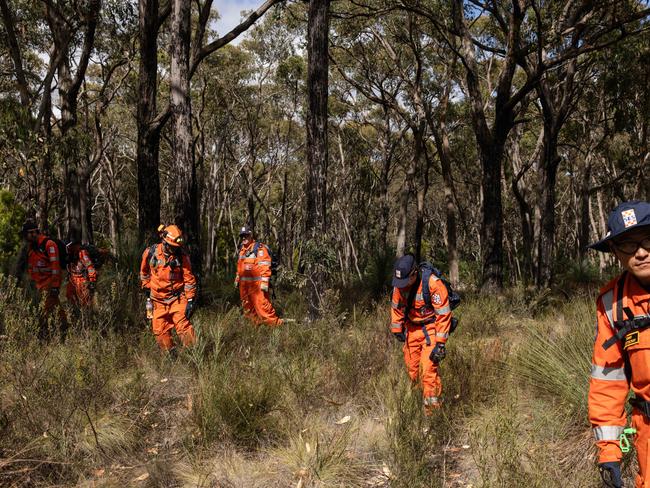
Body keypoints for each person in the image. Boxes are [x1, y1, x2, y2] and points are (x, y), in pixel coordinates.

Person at [588, 201, 650, 488]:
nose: (640, 252)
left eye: (648, 240)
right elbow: (607, 382)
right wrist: (609, 453)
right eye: (627, 245)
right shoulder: (612, 304)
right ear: (615, 253)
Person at [390, 254, 453, 414]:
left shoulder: (433, 284)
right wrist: (397, 329)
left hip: (430, 329)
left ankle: (432, 414)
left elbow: (443, 314)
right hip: (411, 330)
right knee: (413, 372)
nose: (402, 286)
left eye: (405, 281)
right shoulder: (400, 285)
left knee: (428, 372)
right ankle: (419, 408)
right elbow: (396, 306)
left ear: (414, 273)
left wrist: (440, 343)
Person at [139, 224, 197, 353]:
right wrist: (147, 287)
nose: (174, 249)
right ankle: (171, 358)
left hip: (176, 299)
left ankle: (194, 356)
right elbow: (143, 273)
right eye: (172, 247)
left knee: (184, 327)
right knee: (160, 331)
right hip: (157, 302)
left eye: (176, 247)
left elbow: (189, 279)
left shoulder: (182, 257)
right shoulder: (150, 253)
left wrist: (190, 300)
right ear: (164, 242)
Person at [20, 220, 67, 340]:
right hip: (37, 287)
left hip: (49, 285)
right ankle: (64, 331)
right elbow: (31, 268)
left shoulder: (49, 244)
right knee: (56, 310)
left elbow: (56, 267)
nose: (26, 237)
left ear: (34, 232)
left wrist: (55, 286)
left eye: (28, 234)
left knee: (43, 313)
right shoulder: (31, 248)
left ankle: (44, 338)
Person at [235, 225, 282, 327]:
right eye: (242, 236)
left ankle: (275, 327)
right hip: (244, 287)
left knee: (263, 308)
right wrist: (237, 279)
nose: (244, 238)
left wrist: (265, 283)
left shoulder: (259, 249)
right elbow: (240, 267)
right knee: (248, 309)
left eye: (246, 235)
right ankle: (256, 329)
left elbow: (265, 266)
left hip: (257, 286)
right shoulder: (242, 250)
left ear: (251, 235)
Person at [65, 241, 97, 308]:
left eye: (70, 246)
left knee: (85, 303)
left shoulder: (82, 253)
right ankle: (74, 314)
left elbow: (90, 267)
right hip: (73, 279)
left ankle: (86, 317)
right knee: (70, 297)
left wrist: (92, 281)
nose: (68, 248)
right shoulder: (70, 253)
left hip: (82, 280)